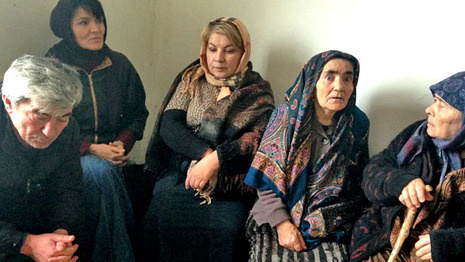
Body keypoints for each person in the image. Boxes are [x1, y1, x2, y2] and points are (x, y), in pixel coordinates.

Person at [140, 17, 275, 261]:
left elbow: (256, 140)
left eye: (229, 50)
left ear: (244, 52)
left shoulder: (258, 91)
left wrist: (216, 161)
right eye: (212, 49)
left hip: (229, 184)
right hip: (182, 174)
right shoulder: (192, 79)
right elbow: (169, 126)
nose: (218, 58)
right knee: (159, 221)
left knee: (227, 231)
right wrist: (205, 156)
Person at [349, 71, 465, 262]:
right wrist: (400, 183)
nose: (429, 109)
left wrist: (453, 244)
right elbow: (372, 171)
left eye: (442, 105)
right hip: (386, 241)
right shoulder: (419, 137)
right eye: (434, 100)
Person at [46, 0, 149, 261]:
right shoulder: (53, 68)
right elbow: (47, 126)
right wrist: (90, 149)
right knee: (98, 172)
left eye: (99, 20)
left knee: (106, 174)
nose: (96, 29)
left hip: (112, 156)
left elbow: (138, 114)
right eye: (84, 22)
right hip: (68, 157)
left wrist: (119, 145)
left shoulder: (119, 65)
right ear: (67, 28)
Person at [244, 50, 370, 261]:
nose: (339, 86)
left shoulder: (357, 124)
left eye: (347, 78)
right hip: (275, 214)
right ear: (313, 81)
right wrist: (283, 224)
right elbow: (265, 181)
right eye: (329, 77)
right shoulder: (287, 116)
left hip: (329, 221)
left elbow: (356, 183)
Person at [0, 55, 83, 261]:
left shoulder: (69, 129)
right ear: (9, 103)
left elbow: (68, 188)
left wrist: (60, 237)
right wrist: (27, 244)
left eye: (63, 116)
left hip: (40, 231)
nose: (50, 132)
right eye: (41, 115)